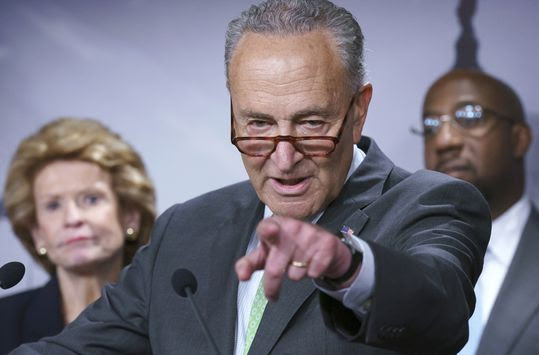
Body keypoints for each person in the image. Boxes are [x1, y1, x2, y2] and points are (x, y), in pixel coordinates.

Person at [13, 1, 490, 354]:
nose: (283, 160)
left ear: (358, 110)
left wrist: (348, 267)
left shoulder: (433, 204)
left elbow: (438, 308)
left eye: (310, 125)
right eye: (258, 125)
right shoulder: (187, 228)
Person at [420, 68, 539, 355]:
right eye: (431, 126)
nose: (444, 141)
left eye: (470, 117)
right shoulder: (397, 256)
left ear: (519, 139)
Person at [1, 118, 156, 354]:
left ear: (130, 216)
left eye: (90, 199)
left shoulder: (170, 319)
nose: (72, 218)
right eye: (53, 205)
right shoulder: (5, 321)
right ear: (37, 233)